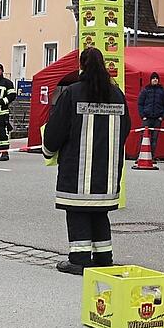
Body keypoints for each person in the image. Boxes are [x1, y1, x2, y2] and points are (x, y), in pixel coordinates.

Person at [43, 47, 131, 274]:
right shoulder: (117, 94)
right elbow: (126, 127)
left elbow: (56, 129)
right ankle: (104, 257)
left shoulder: (72, 93)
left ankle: (79, 259)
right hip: (107, 169)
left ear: (81, 66)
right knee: (100, 212)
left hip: (78, 169)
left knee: (78, 212)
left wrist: (48, 150)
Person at [137, 72, 164, 161]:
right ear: (150, 80)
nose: (155, 80)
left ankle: (152, 157)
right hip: (147, 118)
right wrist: (142, 116)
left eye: (156, 78)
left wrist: (162, 116)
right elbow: (140, 103)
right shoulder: (145, 90)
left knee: (154, 139)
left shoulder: (162, 91)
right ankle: (140, 157)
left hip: (157, 119)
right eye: (153, 78)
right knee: (143, 138)